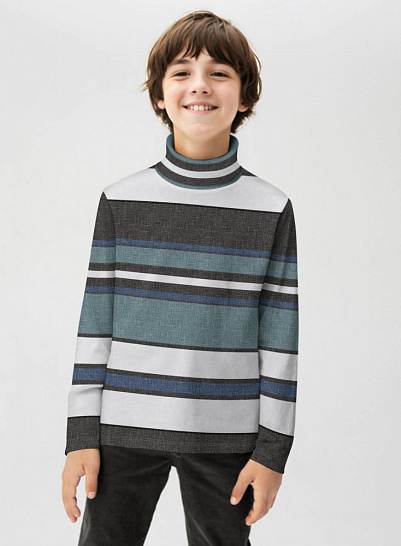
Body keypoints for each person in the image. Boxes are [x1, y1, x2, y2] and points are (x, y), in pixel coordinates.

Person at [61, 10, 299, 546]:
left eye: (219, 73)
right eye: (182, 72)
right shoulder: (121, 200)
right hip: (121, 430)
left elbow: (281, 341)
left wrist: (272, 452)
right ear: (159, 95)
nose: (200, 85)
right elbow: (95, 326)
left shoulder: (271, 208)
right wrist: (80, 436)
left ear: (244, 96)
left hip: (227, 435)